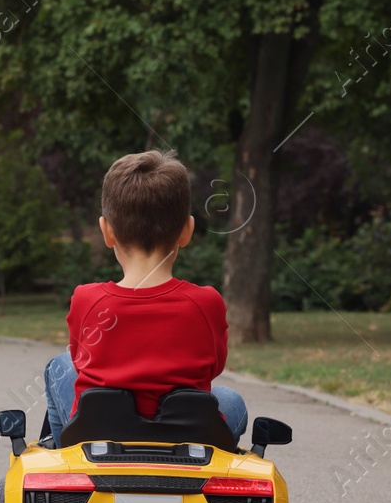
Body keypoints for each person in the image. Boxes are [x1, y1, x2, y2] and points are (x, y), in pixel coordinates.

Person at [39, 149, 247, 447]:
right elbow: (213, 368)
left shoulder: (86, 300)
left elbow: (80, 361)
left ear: (106, 231)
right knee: (229, 399)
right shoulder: (206, 303)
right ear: (187, 231)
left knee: (59, 365)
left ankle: (61, 456)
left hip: (98, 437)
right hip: (186, 440)